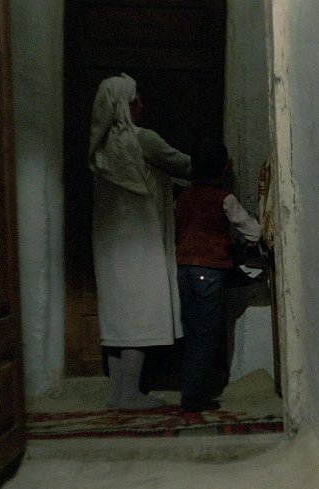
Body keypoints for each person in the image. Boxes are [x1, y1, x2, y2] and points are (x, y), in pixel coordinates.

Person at [89, 73, 193, 410]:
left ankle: (117, 393)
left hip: (110, 244)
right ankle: (130, 392)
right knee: (139, 313)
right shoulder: (143, 139)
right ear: (123, 105)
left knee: (119, 314)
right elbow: (183, 164)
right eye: (135, 100)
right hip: (141, 240)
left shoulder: (100, 148)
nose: (141, 105)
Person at [175, 140, 261, 412]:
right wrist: (244, 246)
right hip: (210, 271)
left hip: (183, 269)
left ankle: (188, 386)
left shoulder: (183, 198)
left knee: (190, 331)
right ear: (226, 168)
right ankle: (194, 395)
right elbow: (254, 232)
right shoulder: (224, 199)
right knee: (208, 334)